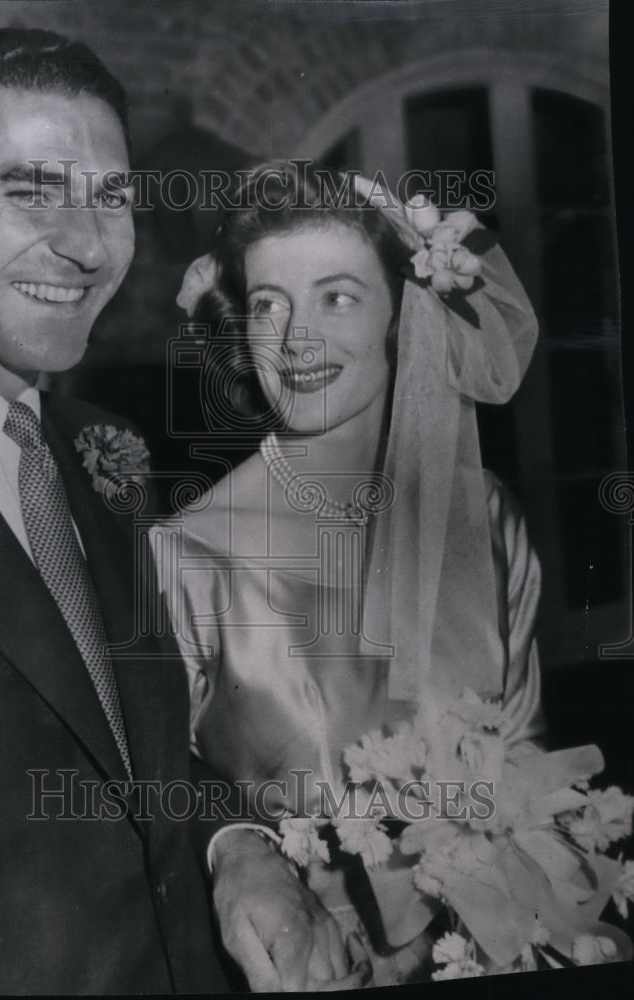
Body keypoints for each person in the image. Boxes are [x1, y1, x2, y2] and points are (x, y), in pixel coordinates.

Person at [0, 34, 366, 994]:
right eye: (31, 191)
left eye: (113, 196)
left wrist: (238, 851)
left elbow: (140, 762)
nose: (88, 244)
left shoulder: (106, 452)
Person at [154, 161, 544, 987]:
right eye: (268, 304)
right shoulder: (187, 554)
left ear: (405, 321)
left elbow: (524, 755)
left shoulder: (480, 514)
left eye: (336, 297)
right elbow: (159, 792)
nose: (294, 340)